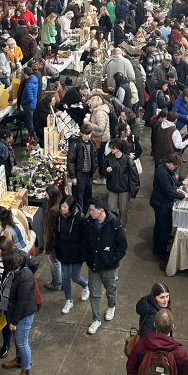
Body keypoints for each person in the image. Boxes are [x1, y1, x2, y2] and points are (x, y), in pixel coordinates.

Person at [84, 197, 128, 335]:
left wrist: (112, 259)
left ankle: (111, 306)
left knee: (111, 290)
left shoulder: (115, 224)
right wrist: (87, 256)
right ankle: (96, 319)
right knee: (94, 293)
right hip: (94, 266)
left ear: (101, 210)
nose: (90, 213)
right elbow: (84, 240)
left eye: (92, 210)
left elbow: (122, 246)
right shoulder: (89, 223)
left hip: (109, 267)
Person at [0, 248, 39, 375]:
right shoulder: (14, 271)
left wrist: (14, 321)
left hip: (23, 315)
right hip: (15, 311)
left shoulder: (25, 276)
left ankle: (26, 373)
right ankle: (19, 359)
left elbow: (22, 302)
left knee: (22, 342)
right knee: (18, 339)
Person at [126, 309, 188, 375]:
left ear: (154, 325)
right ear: (172, 327)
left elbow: (130, 369)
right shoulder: (180, 353)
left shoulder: (141, 345)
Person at [53, 195, 89, 314]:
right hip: (63, 251)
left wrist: (83, 251)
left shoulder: (80, 217)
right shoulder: (59, 216)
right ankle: (68, 300)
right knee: (66, 278)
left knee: (75, 277)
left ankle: (85, 286)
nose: (62, 208)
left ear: (71, 207)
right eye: (62, 206)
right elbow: (56, 232)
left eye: (65, 206)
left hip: (77, 253)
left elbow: (85, 236)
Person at [101, 138, 140, 229]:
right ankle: (112, 227)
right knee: (111, 209)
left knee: (123, 211)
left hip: (124, 189)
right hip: (113, 188)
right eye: (111, 148)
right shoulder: (109, 158)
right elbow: (103, 171)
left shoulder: (127, 159)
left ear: (118, 148)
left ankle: (122, 228)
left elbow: (134, 176)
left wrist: (134, 190)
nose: (111, 150)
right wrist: (107, 172)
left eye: (113, 148)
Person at [67, 124, 99, 214]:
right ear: (82, 134)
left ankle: (84, 214)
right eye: (86, 134)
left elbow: (95, 156)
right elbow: (70, 161)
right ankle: (79, 216)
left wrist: (95, 168)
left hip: (89, 174)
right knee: (78, 198)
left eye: (90, 134)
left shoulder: (92, 141)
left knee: (88, 196)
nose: (89, 136)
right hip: (79, 175)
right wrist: (73, 177)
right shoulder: (75, 144)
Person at [42, 184, 64, 291]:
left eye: (46, 193)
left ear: (50, 195)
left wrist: (47, 247)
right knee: (61, 262)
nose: (45, 195)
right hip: (63, 240)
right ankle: (63, 281)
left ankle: (57, 283)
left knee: (54, 262)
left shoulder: (52, 211)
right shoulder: (62, 204)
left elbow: (50, 231)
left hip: (54, 242)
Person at [86, 94, 111, 174]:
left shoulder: (99, 113)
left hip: (101, 138)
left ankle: (102, 175)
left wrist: (89, 123)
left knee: (100, 158)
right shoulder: (98, 111)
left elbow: (100, 127)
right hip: (101, 137)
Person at [19, 67, 38, 141]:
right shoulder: (34, 79)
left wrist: (23, 102)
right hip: (33, 104)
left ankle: (31, 138)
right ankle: (31, 137)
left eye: (24, 74)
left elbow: (30, 98)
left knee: (29, 122)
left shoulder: (29, 84)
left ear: (26, 75)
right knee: (31, 121)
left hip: (29, 106)